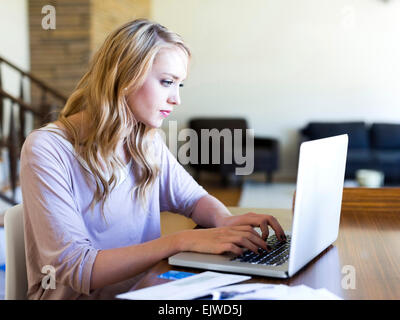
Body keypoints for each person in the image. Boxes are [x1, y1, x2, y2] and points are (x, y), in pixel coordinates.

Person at [20, 19, 286, 300]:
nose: (176, 99)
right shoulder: (47, 149)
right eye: (167, 82)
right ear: (124, 78)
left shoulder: (144, 139)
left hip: (146, 290)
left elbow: (193, 199)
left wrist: (224, 221)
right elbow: (77, 268)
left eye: (180, 84)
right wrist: (180, 241)